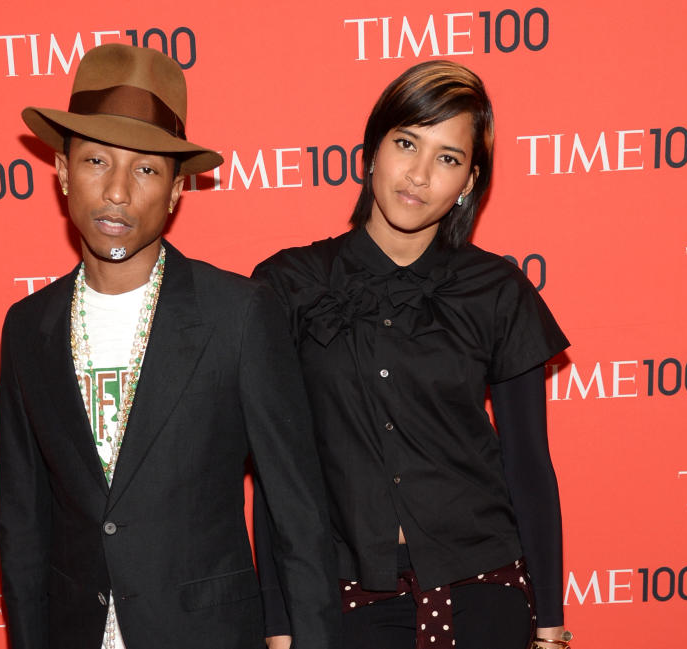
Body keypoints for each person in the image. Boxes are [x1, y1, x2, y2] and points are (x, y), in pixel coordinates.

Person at [0, 43, 339, 649]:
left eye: (148, 169)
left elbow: (298, 513)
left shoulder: (238, 313)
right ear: (63, 169)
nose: (119, 191)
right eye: (97, 160)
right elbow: (23, 521)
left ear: (179, 189)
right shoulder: (28, 326)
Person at [252, 61, 572, 649]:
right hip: (343, 601)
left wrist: (549, 624)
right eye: (406, 144)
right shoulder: (287, 285)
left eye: (447, 158)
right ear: (373, 150)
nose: (419, 175)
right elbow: (277, 474)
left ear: (469, 182)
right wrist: (276, 624)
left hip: (485, 591)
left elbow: (529, 463)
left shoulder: (497, 290)